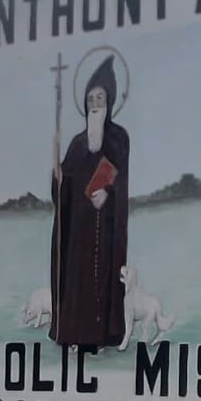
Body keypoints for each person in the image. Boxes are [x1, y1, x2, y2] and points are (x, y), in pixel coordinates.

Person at [49, 55, 129, 349]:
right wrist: (58, 178)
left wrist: (109, 194)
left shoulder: (119, 138)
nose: (95, 103)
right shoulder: (77, 143)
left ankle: (104, 335)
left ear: (109, 102)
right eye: (90, 98)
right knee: (79, 281)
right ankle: (73, 334)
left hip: (105, 229)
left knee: (102, 283)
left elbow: (121, 178)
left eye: (100, 97)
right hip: (79, 234)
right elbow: (64, 191)